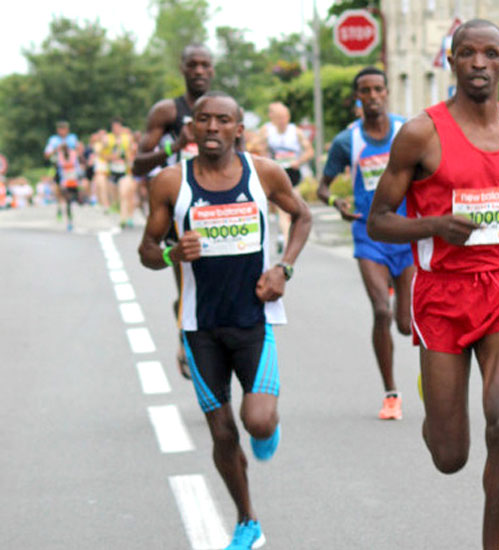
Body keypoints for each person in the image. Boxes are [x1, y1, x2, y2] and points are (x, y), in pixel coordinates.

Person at [367, 20, 499, 549]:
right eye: (467, 53)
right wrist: (433, 225)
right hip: (441, 296)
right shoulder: (421, 134)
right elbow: (379, 220)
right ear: (450, 61)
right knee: (450, 457)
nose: (479, 63)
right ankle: (436, 397)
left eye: (490, 53)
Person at [138, 91, 311, 550]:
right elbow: (147, 251)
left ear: (239, 129)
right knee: (221, 431)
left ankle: (267, 426)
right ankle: (247, 520)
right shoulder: (172, 183)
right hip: (200, 328)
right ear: (191, 129)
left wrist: (283, 269)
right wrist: (174, 252)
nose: (212, 127)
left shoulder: (264, 173)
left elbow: (303, 216)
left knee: (256, 421)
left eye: (223, 120)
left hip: (254, 320)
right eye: (203, 120)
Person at [317, 67, 414, 420]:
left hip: (406, 233)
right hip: (369, 233)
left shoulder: (408, 130)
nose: (372, 96)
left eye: (377, 90)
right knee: (381, 311)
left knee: (406, 323)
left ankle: (430, 377)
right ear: (357, 97)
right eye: (365, 91)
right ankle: (391, 394)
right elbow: (322, 187)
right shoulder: (347, 141)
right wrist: (334, 204)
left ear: (387, 92)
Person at [133, 43, 215, 380]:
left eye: (204, 65)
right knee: (189, 285)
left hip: (218, 208)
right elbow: (138, 163)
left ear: (212, 69)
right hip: (177, 208)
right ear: (182, 68)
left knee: (216, 283)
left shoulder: (222, 109)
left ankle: (201, 332)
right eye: (192, 64)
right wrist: (174, 146)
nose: (198, 71)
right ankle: (188, 335)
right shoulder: (167, 112)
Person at [259, 102, 314, 252]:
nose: (282, 120)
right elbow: (254, 148)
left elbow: (310, 151)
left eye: (285, 117)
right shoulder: (266, 131)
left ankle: (284, 236)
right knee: (281, 209)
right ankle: (286, 238)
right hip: (276, 174)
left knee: (295, 206)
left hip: (293, 173)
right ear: (273, 118)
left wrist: (299, 161)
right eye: (279, 117)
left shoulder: (295, 131)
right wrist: (265, 155)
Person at [44, 121, 83, 224]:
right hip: (58, 167)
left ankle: (74, 203)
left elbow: (79, 149)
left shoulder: (72, 138)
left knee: (72, 188)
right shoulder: (53, 140)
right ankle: (60, 206)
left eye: (64, 129)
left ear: (67, 130)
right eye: (60, 129)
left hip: (70, 168)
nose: (62, 131)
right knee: (58, 188)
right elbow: (47, 154)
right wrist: (58, 149)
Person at [103, 118, 137, 228]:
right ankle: (121, 213)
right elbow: (102, 155)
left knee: (125, 194)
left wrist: (127, 156)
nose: (116, 129)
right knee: (116, 196)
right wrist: (113, 156)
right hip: (113, 171)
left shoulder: (127, 138)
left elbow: (133, 152)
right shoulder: (108, 139)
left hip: (125, 171)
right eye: (114, 128)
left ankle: (125, 218)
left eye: (118, 127)